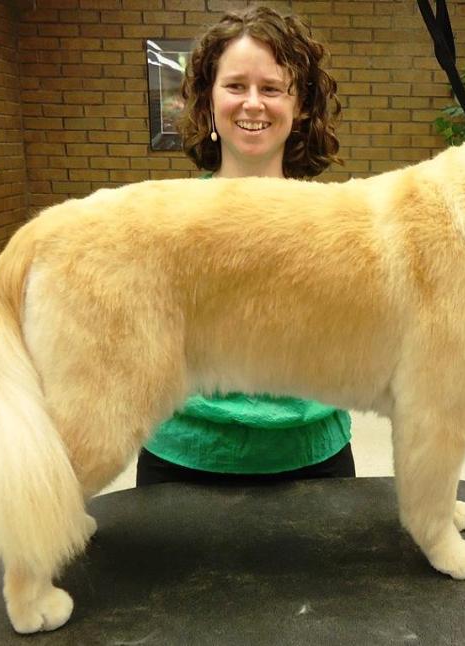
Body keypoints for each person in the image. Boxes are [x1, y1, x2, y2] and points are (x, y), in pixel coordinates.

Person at [136, 6, 355, 486]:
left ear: (299, 107)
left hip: (316, 461)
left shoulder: (338, 223)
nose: (253, 103)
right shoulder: (164, 221)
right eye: (236, 86)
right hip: (183, 462)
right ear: (210, 101)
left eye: (272, 88)